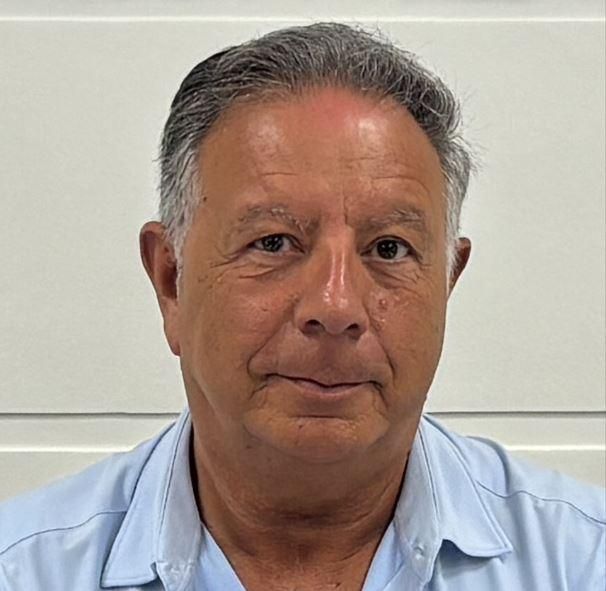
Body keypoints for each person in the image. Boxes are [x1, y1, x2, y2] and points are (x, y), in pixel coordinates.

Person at [0, 22, 603, 591]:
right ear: (171, 280)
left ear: (447, 282)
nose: (336, 306)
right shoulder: (26, 568)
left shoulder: (579, 561)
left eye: (389, 248)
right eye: (273, 242)